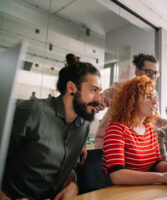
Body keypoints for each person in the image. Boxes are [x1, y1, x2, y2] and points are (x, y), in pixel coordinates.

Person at [0, 62, 102, 199]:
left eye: (99, 91)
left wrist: (71, 183)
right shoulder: (32, 112)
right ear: (71, 88)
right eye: (93, 90)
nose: (99, 99)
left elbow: (69, 167)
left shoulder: (83, 128)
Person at [102, 76, 167, 185]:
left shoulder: (150, 130)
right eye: (149, 96)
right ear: (132, 101)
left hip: (140, 190)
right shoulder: (116, 129)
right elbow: (117, 175)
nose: (155, 101)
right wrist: (163, 177)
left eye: (154, 97)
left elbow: (157, 164)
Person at [94, 53, 167, 150]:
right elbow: (95, 104)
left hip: (132, 147)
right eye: (149, 72)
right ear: (137, 71)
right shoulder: (123, 87)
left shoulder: (154, 93)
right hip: (108, 145)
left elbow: (156, 120)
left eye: (156, 73)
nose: (153, 76)